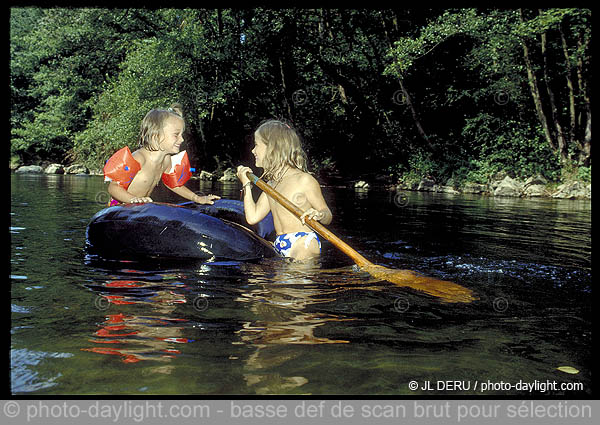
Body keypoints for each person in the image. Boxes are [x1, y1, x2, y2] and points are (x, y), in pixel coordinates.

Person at [236, 119, 332, 261]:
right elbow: (252, 217)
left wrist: (319, 214)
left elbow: (327, 215)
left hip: (303, 243)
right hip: (280, 243)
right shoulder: (271, 185)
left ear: (272, 148)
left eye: (256, 145)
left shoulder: (304, 180)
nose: (253, 150)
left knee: (291, 281)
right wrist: (246, 185)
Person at [104, 104, 219, 206]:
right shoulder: (139, 158)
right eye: (176, 135)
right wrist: (133, 199)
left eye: (182, 134)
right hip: (119, 207)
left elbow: (174, 184)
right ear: (156, 136)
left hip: (138, 207)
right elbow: (113, 187)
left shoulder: (166, 160)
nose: (182, 139)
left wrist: (197, 198)